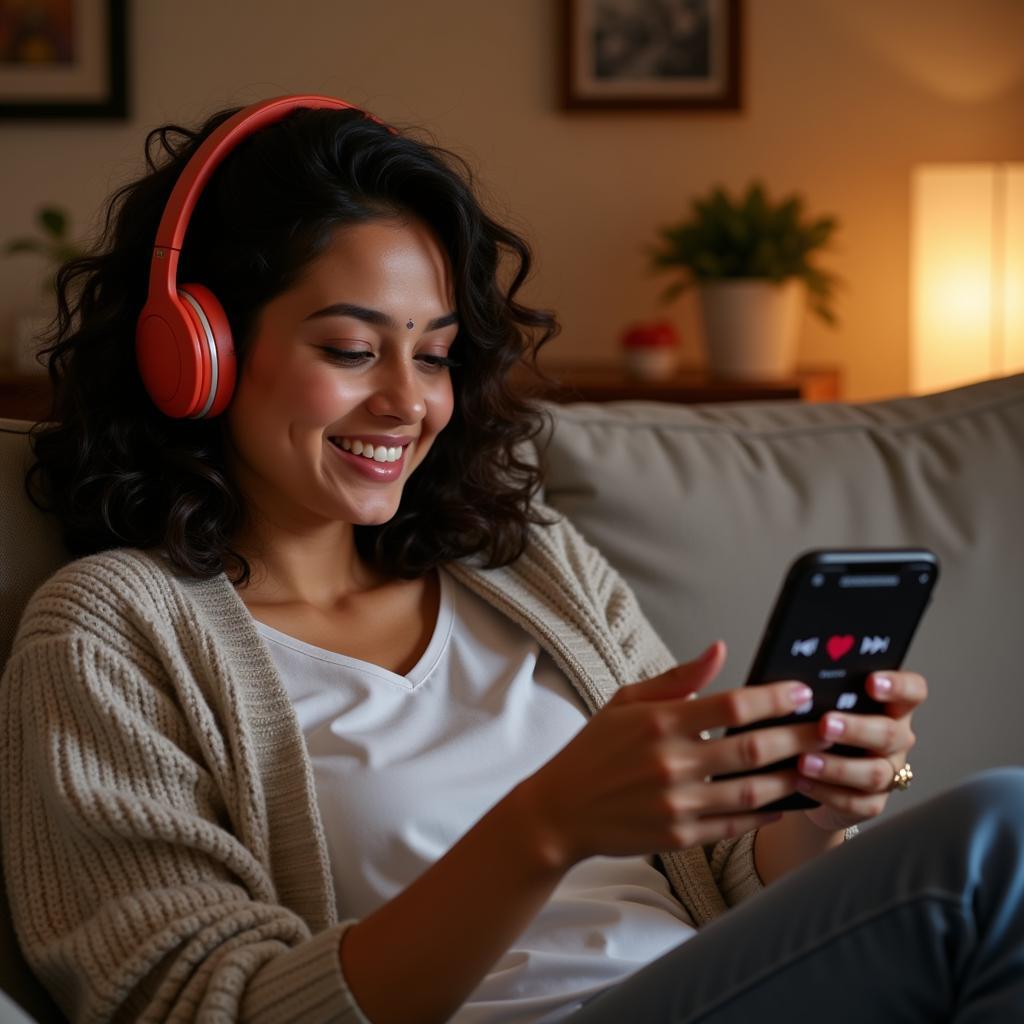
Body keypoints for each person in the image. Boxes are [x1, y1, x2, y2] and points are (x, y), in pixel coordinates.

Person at [1, 95, 1021, 1024]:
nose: (408, 401)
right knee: (1002, 833)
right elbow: (199, 1009)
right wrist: (544, 824)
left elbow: (724, 872)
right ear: (197, 353)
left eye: (435, 353)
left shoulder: (524, 561)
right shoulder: (108, 631)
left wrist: (817, 804)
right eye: (353, 350)